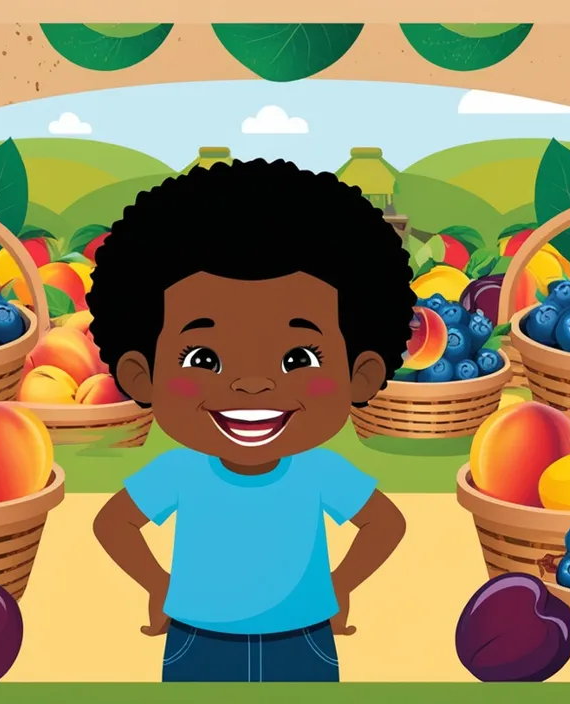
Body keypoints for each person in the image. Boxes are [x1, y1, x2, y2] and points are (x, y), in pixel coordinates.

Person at [88, 158, 410, 683]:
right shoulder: (179, 471)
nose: (253, 385)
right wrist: (157, 585)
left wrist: (341, 585)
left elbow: (386, 523)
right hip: (198, 639)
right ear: (140, 375)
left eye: (299, 359)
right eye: (204, 360)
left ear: (362, 375)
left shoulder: (320, 470)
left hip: (303, 638)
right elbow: (112, 523)